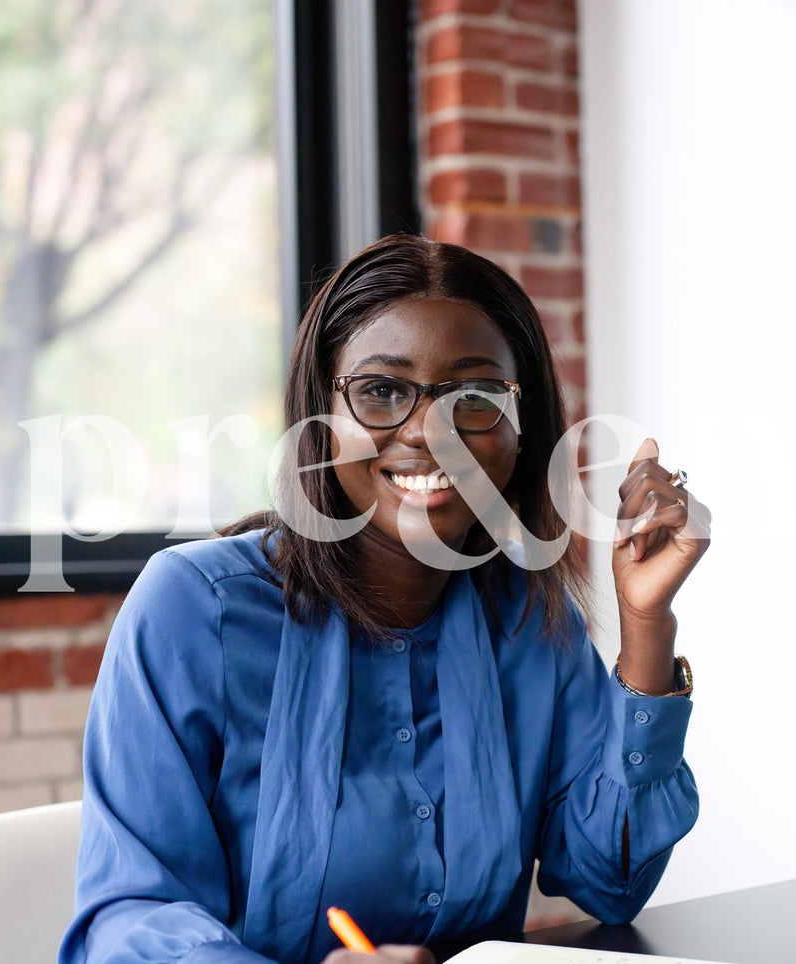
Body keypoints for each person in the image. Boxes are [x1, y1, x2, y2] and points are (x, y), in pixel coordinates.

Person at [58, 234, 709, 964]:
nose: (430, 438)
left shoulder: (529, 622)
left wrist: (646, 626)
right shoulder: (193, 609)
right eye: (380, 391)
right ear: (319, 416)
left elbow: (609, 883)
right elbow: (129, 917)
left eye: (474, 397)